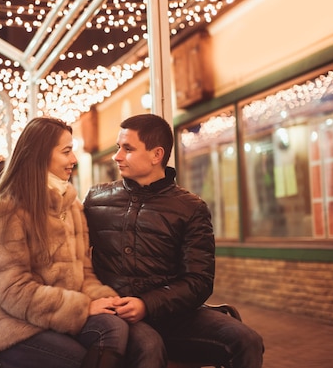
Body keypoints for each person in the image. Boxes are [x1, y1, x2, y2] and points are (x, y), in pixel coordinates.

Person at [84, 113, 264, 368]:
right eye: (118, 148)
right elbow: (75, 260)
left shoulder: (191, 207)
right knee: (149, 347)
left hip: (175, 316)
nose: (117, 156)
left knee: (246, 340)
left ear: (156, 155)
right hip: (117, 314)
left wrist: (147, 304)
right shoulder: (96, 200)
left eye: (128, 148)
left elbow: (199, 280)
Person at [0, 116, 129, 368]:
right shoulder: (8, 208)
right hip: (15, 328)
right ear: (40, 155)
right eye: (66, 151)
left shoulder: (72, 207)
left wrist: (106, 300)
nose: (74, 160)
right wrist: (81, 308)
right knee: (80, 359)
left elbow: (85, 274)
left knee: (115, 327)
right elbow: (12, 289)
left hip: (58, 321)